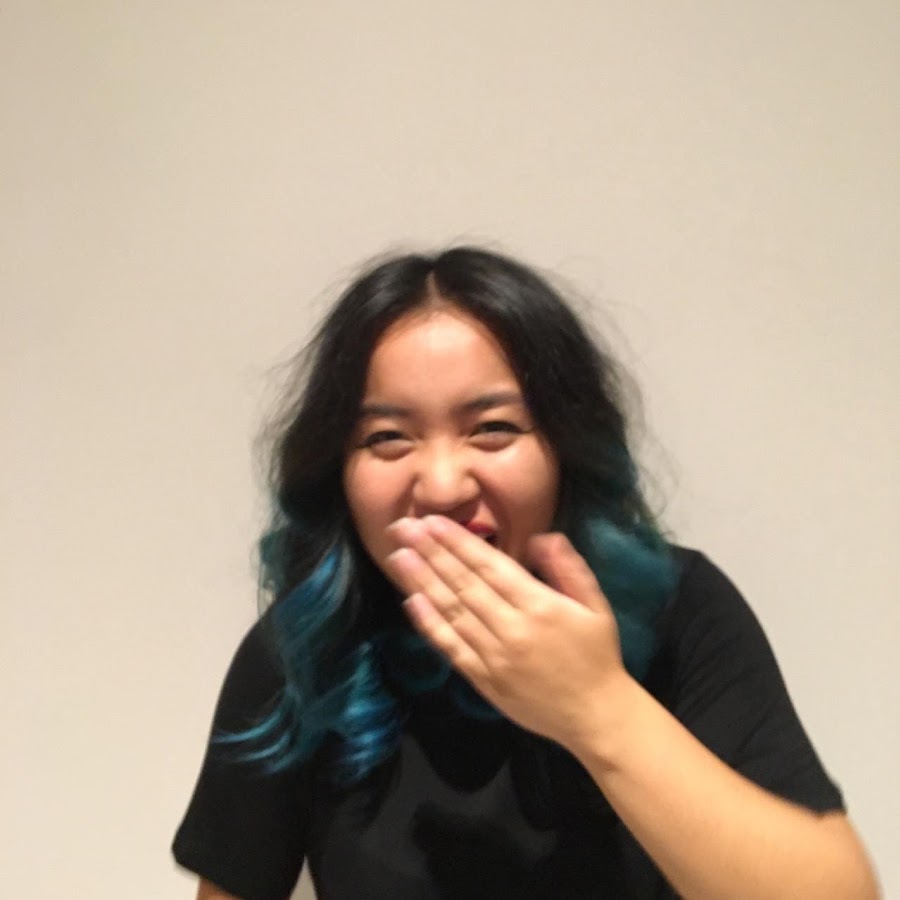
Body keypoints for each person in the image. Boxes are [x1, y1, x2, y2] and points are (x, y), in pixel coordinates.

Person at [173, 247, 878, 900]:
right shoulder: (305, 647)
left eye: (494, 429)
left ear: (565, 446)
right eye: (387, 438)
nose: (442, 485)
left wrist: (596, 707)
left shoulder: (680, 608)